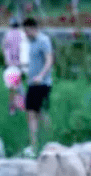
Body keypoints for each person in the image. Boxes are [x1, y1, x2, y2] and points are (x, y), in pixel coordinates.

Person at [22, 18, 53, 158]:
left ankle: (50, 140)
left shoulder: (43, 40)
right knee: (30, 113)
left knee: (40, 112)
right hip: (32, 83)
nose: (26, 34)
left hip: (42, 84)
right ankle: (34, 145)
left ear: (33, 28)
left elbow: (49, 60)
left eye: (27, 31)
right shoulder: (31, 43)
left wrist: (41, 75)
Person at [2, 19, 25, 114]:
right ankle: (19, 107)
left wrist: (6, 58)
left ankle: (13, 108)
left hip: (9, 65)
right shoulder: (22, 35)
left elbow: (4, 47)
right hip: (20, 65)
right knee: (19, 87)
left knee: (13, 88)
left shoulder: (7, 35)